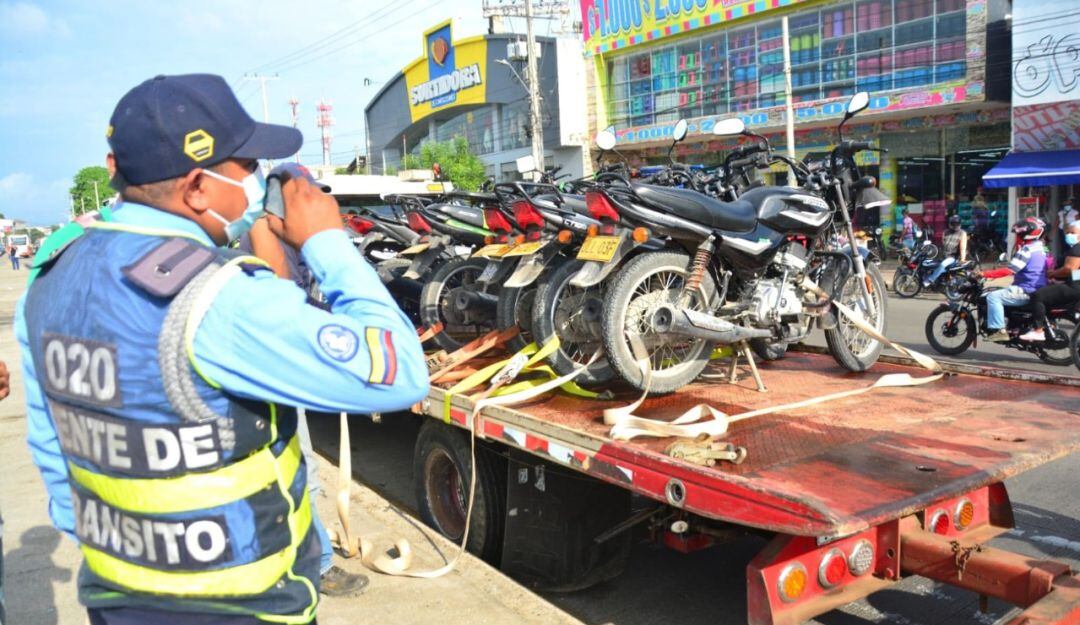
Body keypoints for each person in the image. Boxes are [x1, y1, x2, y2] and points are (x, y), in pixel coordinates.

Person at [17, 74, 428, 625]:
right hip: (239, 607)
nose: (258, 182)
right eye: (247, 167)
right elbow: (397, 372)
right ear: (197, 188)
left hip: (115, 597)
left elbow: (50, 440)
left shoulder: (54, 268)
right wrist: (327, 241)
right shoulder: (218, 294)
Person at [238, 163, 365, 596]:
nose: (313, 206)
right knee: (300, 470)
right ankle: (320, 565)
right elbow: (289, 306)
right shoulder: (270, 244)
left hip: (266, 375)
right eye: (302, 197)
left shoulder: (284, 241)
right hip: (271, 377)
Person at [980, 217, 1049, 341]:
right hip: (1039, 289)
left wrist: (985, 274)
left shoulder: (1026, 250)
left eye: (1019, 234)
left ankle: (999, 330)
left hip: (1025, 289)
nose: (1017, 236)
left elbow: (1010, 270)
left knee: (993, 297)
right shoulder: (1042, 248)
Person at [1019, 221, 1080, 342]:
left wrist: (1052, 273)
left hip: (1074, 288)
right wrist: (1060, 279)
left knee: (1038, 295)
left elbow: (1069, 269)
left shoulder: (1077, 250)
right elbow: (1076, 272)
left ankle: (1038, 331)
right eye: (1068, 232)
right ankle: (1050, 324)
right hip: (1075, 285)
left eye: (1073, 232)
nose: (1069, 235)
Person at [925, 214, 968, 286]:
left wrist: (963, 259)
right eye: (953, 223)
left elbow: (963, 248)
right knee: (929, 264)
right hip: (943, 256)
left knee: (942, 265)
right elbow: (942, 244)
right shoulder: (946, 232)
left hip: (952, 257)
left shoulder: (962, 233)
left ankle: (930, 280)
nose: (955, 225)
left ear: (959, 224)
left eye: (956, 223)